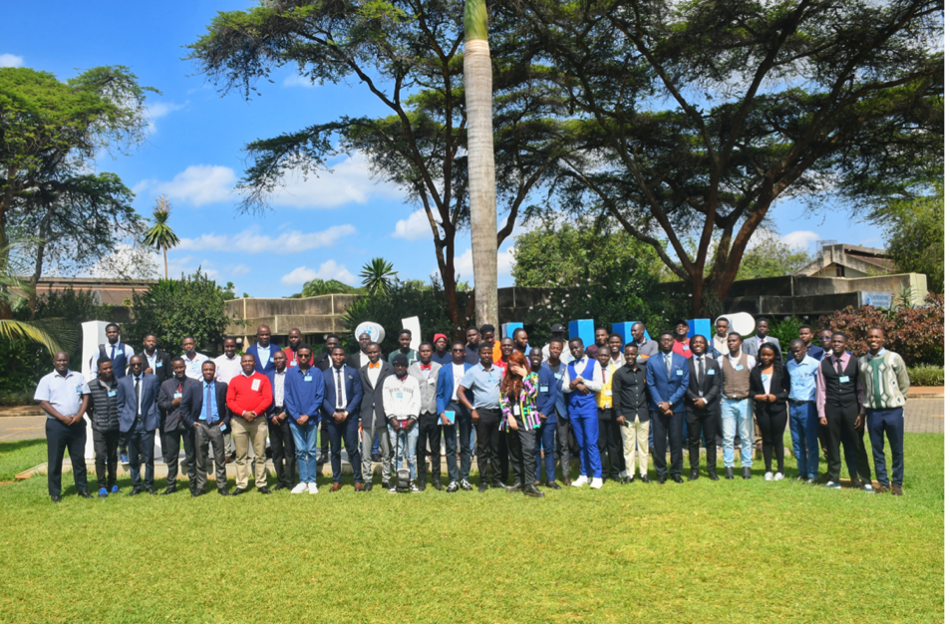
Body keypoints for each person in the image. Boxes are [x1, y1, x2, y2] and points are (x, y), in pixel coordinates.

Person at [817, 332, 874, 491]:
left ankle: (866, 480)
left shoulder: (856, 363)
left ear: (846, 344)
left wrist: (862, 413)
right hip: (832, 409)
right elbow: (821, 390)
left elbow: (862, 389)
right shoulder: (823, 364)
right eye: (833, 341)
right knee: (833, 445)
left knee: (857, 444)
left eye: (839, 341)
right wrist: (822, 413)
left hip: (851, 409)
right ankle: (834, 478)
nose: (836, 344)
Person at [857, 327, 910, 496]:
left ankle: (897, 483)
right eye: (870, 337)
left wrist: (899, 399)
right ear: (866, 339)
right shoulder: (862, 361)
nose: (873, 339)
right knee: (877, 448)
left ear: (883, 339)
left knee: (897, 448)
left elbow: (904, 381)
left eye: (877, 337)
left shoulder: (894, 358)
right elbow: (864, 386)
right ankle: (883, 482)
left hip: (893, 411)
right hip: (874, 413)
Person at [36, 351, 91, 503]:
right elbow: (43, 403)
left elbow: (86, 395)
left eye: (64, 360)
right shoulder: (47, 380)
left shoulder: (78, 377)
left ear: (68, 361)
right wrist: (61, 417)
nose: (62, 363)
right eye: (59, 360)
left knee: (78, 459)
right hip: (56, 425)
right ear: (54, 362)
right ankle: (55, 492)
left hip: (77, 424)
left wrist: (80, 415)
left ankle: (82, 488)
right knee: (55, 459)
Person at [458, 342, 506, 492]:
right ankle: (484, 480)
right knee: (483, 448)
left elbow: (503, 389)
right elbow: (460, 392)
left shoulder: (498, 370)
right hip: (481, 413)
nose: (486, 355)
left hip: (497, 412)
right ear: (479, 354)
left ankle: (497, 479)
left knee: (496, 448)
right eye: (483, 353)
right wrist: (472, 409)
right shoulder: (473, 372)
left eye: (489, 353)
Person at [226, 353, 274, 495]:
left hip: (258, 421)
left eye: (250, 361)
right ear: (241, 364)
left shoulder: (263, 378)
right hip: (239, 422)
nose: (247, 363)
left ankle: (261, 483)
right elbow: (230, 401)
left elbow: (267, 398)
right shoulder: (234, 381)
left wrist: (254, 412)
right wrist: (243, 413)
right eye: (244, 361)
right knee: (241, 456)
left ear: (254, 363)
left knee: (260, 454)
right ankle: (241, 484)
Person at [499, 351, 545, 498]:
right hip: (511, 419)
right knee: (514, 451)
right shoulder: (506, 379)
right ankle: (519, 481)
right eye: (511, 365)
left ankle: (530, 484)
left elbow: (532, 394)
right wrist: (509, 415)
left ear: (523, 365)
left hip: (527, 419)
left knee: (528, 449)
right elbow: (502, 399)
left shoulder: (533, 377)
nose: (513, 369)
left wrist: (525, 377)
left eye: (516, 365)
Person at [646, 332, 690, 484]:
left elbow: (684, 384)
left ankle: (676, 472)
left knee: (676, 441)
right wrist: (660, 403)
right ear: (660, 342)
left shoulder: (682, 360)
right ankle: (661, 472)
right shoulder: (652, 361)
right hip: (657, 408)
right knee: (658, 442)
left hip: (676, 407)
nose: (666, 342)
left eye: (669, 340)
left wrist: (670, 403)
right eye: (663, 339)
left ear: (673, 342)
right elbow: (650, 384)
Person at [563, 337, 605, 489]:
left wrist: (581, 382)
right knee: (580, 443)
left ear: (582, 347)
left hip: (588, 407)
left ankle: (597, 476)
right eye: (572, 349)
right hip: (574, 408)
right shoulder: (569, 366)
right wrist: (573, 385)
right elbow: (565, 388)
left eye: (577, 348)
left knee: (591, 442)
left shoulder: (594, 364)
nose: (575, 351)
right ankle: (584, 474)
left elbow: (599, 385)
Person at [321, 346, 364, 492]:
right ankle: (336, 481)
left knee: (353, 449)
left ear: (344, 356)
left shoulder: (353, 372)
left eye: (341, 355)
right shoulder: (324, 374)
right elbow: (322, 397)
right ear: (331, 356)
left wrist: (347, 412)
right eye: (335, 355)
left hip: (349, 416)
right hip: (332, 417)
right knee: (335, 450)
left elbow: (358, 394)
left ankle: (358, 480)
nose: (338, 357)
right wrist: (333, 413)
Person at [89, 323, 134, 464]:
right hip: (103, 388)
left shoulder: (126, 348)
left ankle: (123, 452)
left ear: (119, 332)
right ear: (106, 334)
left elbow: (132, 367)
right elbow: (93, 370)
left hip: (120, 388)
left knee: (121, 421)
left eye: (114, 331)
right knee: (108, 422)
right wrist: (94, 387)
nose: (112, 334)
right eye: (109, 332)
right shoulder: (99, 349)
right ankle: (110, 453)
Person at [117, 355, 161, 496]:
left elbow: (156, 401)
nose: (136, 367)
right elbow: (120, 404)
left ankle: (149, 484)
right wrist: (122, 420)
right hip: (131, 424)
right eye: (133, 365)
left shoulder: (152, 379)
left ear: (142, 365)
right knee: (133, 457)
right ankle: (136, 485)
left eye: (138, 364)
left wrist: (156, 418)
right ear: (129, 366)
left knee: (148, 457)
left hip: (147, 423)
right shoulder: (123, 382)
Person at [283, 345, 323, 495]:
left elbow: (320, 395)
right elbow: (287, 396)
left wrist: (308, 415)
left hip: (311, 419)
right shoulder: (291, 373)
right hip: (295, 420)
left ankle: (312, 481)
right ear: (297, 357)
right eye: (301, 356)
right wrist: (296, 415)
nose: (304, 358)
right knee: (300, 451)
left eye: (307, 355)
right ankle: (303, 481)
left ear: (311, 356)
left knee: (311, 451)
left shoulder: (317, 372)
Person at [187, 360, 230, 497]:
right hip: (200, 425)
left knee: (220, 458)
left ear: (214, 371)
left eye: (211, 370)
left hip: (217, 425)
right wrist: (192, 423)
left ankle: (222, 486)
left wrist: (225, 420)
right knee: (200, 458)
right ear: (202, 370)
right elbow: (184, 407)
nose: (208, 372)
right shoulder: (194, 387)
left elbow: (229, 405)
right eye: (206, 370)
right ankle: (200, 486)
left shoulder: (222, 386)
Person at [157, 358, 200, 496]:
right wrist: (172, 403)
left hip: (188, 424)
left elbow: (198, 402)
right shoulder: (166, 384)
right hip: (171, 424)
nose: (179, 370)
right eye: (176, 368)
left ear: (185, 367)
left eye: (181, 367)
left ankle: (193, 485)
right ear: (173, 369)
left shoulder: (194, 383)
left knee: (191, 455)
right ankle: (171, 485)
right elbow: (161, 404)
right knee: (172, 457)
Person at [436, 342, 474, 493]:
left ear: (464, 353)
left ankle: (464, 478)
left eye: (461, 350)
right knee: (450, 446)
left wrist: (473, 409)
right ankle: (453, 480)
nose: (458, 352)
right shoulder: (444, 370)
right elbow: (439, 394)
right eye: (455, 350)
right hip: (450, 407)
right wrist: (442, 413)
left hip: (465, 408)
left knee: (465, 445)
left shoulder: (470, 369)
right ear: (451, 353)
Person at [718, 332, 756, 480]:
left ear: (740, 343)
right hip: (727, 402)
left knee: (746, 436)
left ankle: (746, 466)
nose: (731, 343)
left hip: (745, 401)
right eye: (729, 341)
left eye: (734, 340)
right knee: (727, 437)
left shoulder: (750, 360)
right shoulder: (721, 360)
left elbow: (755, 379)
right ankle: (729, 467)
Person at [359, 343, 395, 491]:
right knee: (366, 448)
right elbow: (360, 393)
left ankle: (386, 478)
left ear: (380, 352)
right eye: (370, 353)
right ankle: (367, 479)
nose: (372, 355)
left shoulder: (389, 368)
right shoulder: (361, 371)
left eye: (375, 352)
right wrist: (360, 416)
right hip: (367, 412)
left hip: (384, 411)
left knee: (386, 448)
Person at [684, 335, 722, 481]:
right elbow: (684, 385)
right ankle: (694, 470)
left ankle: (711, 470)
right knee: (693, 440)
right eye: (695, 342)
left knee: (710, 440)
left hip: (709, 407)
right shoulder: (685, 363)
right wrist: (695, 399)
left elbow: (716, 384)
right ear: (691, 345)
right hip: (692, 407)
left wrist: (705, 400)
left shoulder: (713, 363)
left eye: (701, 342)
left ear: (705, 345)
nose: (698, 344)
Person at [750, 343, 789, 481]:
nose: (765, 357)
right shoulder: (755, 371)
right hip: (762, 409)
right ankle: (768, 470)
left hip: (778, 409)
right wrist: (756, 396)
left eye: (769, 355)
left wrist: (776, 397)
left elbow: (788, 391)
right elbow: (750, 390)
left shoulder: (781, 370)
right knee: (766, 440)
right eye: (763, 354)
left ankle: (780, 470)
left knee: (777, 440)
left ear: (774, 356)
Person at [613, 343, 651, 484]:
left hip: (643, 413)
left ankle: (644, 473)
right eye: (627, 354)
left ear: (637, 354)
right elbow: (616, 395)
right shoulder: (619, 373)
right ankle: (630, 474)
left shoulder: (644, 370)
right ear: (624, 355)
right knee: (628, 446)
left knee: (643, 445)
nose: (630, 356)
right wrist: (618, 413)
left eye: (632, 354)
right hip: (626, 415)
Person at [384, 353, 422, 493]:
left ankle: (411, 481)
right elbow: (386, 401)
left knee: (411, 455)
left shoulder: (413, 381)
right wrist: (392, 418)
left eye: (402, 365)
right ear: (394, 366)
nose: (400, 367)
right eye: (397, 365)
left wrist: (412, 419)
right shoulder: (388, 381)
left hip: (411, 423)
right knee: (397, 454)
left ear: (407, 366)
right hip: (394, 423)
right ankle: (399, 481)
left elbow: (417, 401)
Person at [786, 339, 821, 483]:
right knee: (797, 440)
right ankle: (802, 471)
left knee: (810, 441)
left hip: (808, 406)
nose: (796, 354)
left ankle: (812, 473)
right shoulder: (789, 365)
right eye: (793, 351)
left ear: (805, 349)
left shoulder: (815, 364)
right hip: (793, 405)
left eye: (798, 350)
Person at [87, 356, 122, 498]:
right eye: (105, 368)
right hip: (99, 428)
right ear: (99, 370)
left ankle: (112, 483)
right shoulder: (92, 386)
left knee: (113, 456)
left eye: (110, 367)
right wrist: (96, 420)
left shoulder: (119, 384)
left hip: (115, 427)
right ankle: (101, 486)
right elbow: (88, 407)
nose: (108, 370)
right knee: (101, 456)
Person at [410, 342, 442, 491]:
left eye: (428, 351)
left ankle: (436, 478)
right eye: (423, 351)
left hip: (434, 412)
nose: (425, 353)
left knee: (435, 448)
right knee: (420, 448)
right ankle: (421, 479)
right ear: (419, 353)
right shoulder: (411, 369)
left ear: (432, 352)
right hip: (419, 413)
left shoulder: (439, 368)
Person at [529, 348, 560, 490]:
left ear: (542, 357)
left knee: (548, 449)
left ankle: (551, 480)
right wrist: (535, 413)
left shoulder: (548, 374)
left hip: (548, 418)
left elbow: (553, 396)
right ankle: (536, 478)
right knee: (534, 449)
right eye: (533, 355)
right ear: (529, 357)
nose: (535, 357)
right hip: (531, 417)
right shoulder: (526, 374)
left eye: (538, 355)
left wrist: (544, 412)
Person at [266, 350, 297, 492]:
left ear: (286, 359)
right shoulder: (268, 375)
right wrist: (271, 414)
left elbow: (296, 396)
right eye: (276, 358)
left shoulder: (292, 374)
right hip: (272, 416)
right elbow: (265, 397)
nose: (278, 360)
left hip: (288, 415)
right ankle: (280, 480)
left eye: (281, 358)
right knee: (276, 450)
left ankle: (290, 480)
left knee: (290, 451)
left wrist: (285, 412)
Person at [545, 338, 573, 487]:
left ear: (561, 351)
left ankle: (566, 475)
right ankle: (549, 476)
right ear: (549, 349)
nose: (555, 351)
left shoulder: (566, 368)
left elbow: (568, 392)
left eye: (558, 349)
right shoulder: (541, 367)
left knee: (563, 444)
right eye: (553, 348)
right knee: (548, 445)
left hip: (561, 411)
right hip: (546, 412)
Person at [595, 346, 624, 483]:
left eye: (606, 356)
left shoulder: (616, 371)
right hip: (598, 410)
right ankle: (602, 472)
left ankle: (615, 471)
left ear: (609, 357)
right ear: (597, 356)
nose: (603, 358)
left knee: (613, 443)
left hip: (612, 411)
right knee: (601, 444)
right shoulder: (593, 371)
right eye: (601, 355)